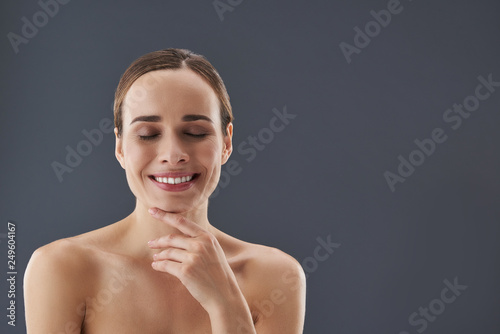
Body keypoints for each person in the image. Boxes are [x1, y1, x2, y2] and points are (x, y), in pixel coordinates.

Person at [24, 48, 306, 333]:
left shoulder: (276, 276)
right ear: (120, 147)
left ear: (226, 143)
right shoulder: (61, 268)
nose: (173, 154)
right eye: (148, 134)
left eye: (195, 132)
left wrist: (226, 303)